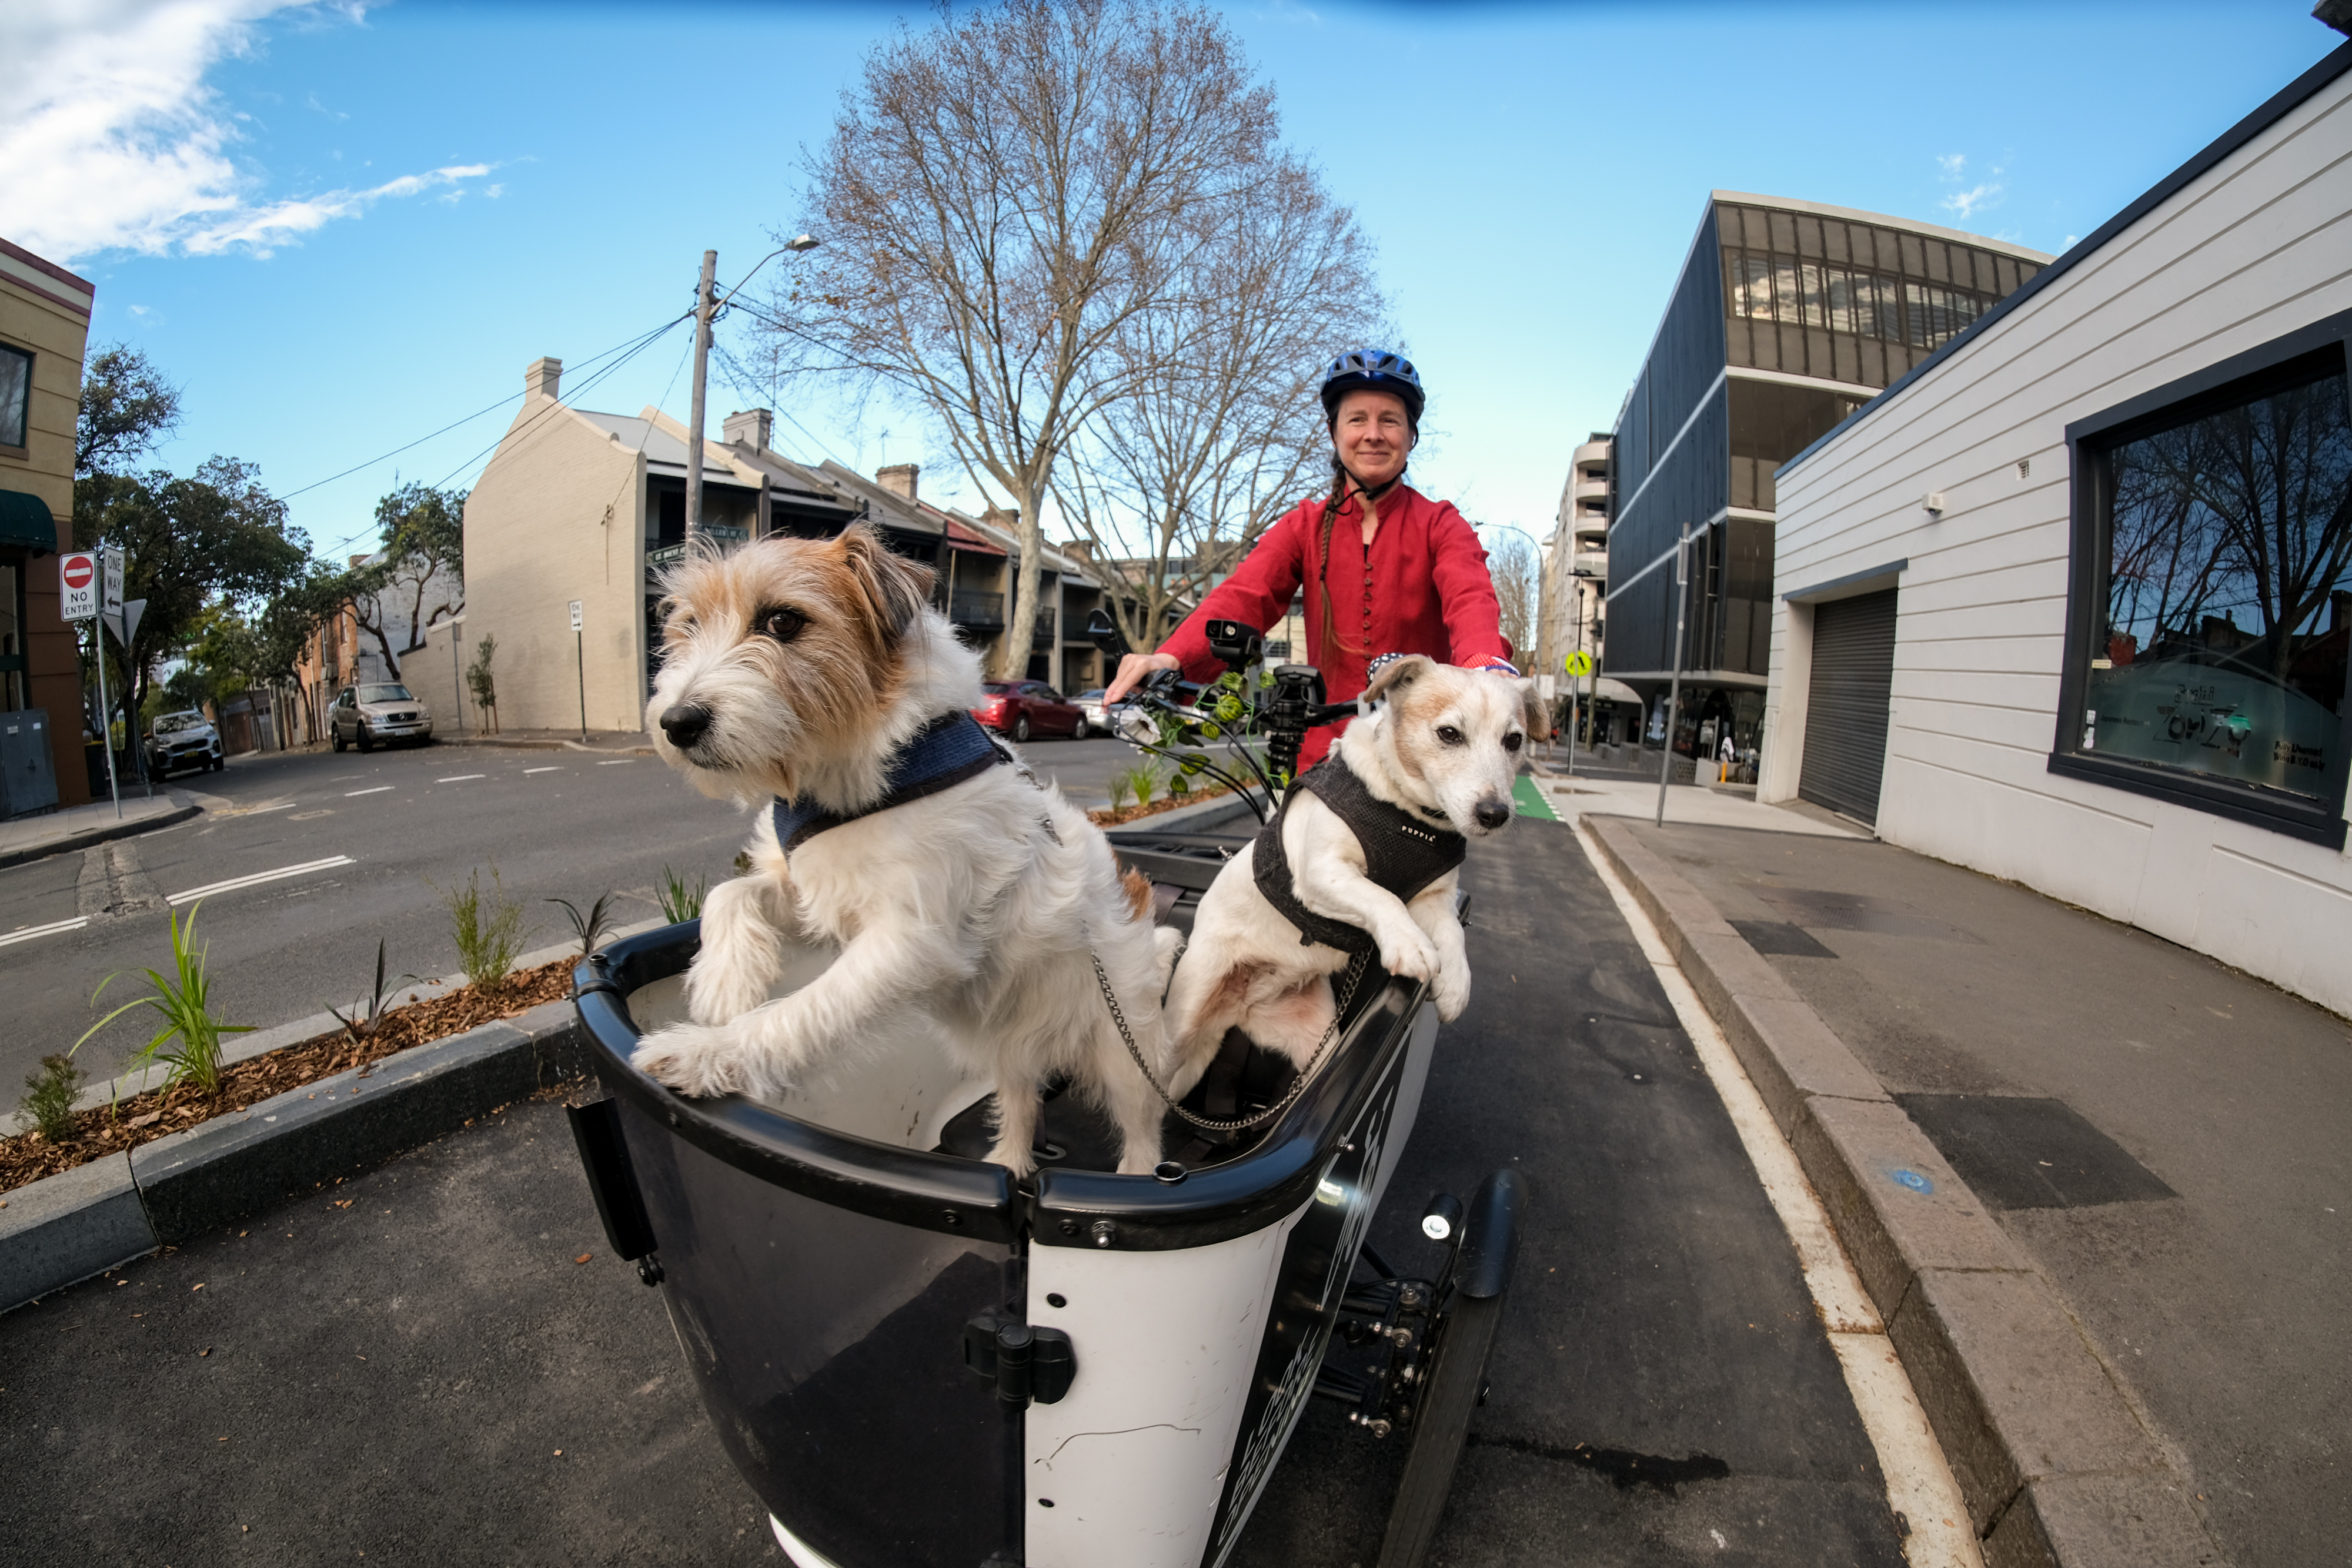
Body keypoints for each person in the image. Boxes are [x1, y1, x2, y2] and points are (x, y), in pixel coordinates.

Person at [1101, 348, 1519, 771]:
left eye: (1390, 420)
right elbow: (1245, 595)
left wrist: (1483, 664)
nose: (1373, 433)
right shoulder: (1305, 525)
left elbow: (1470, 597)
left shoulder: (1441, 523)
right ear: (1334, 431)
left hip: (1416, 760)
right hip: (1322, 752)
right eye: (1357, 419)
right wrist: (1170, 659)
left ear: (1411, 435)